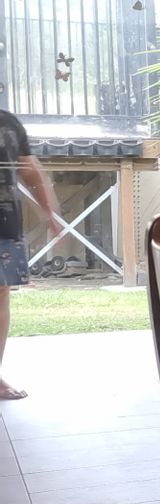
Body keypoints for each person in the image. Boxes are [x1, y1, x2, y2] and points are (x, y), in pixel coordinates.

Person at [0, 108, 57, 400]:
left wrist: (49, 211)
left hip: (4, 225)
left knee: (0, 296)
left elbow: (30, 169)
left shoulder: (8, 123)